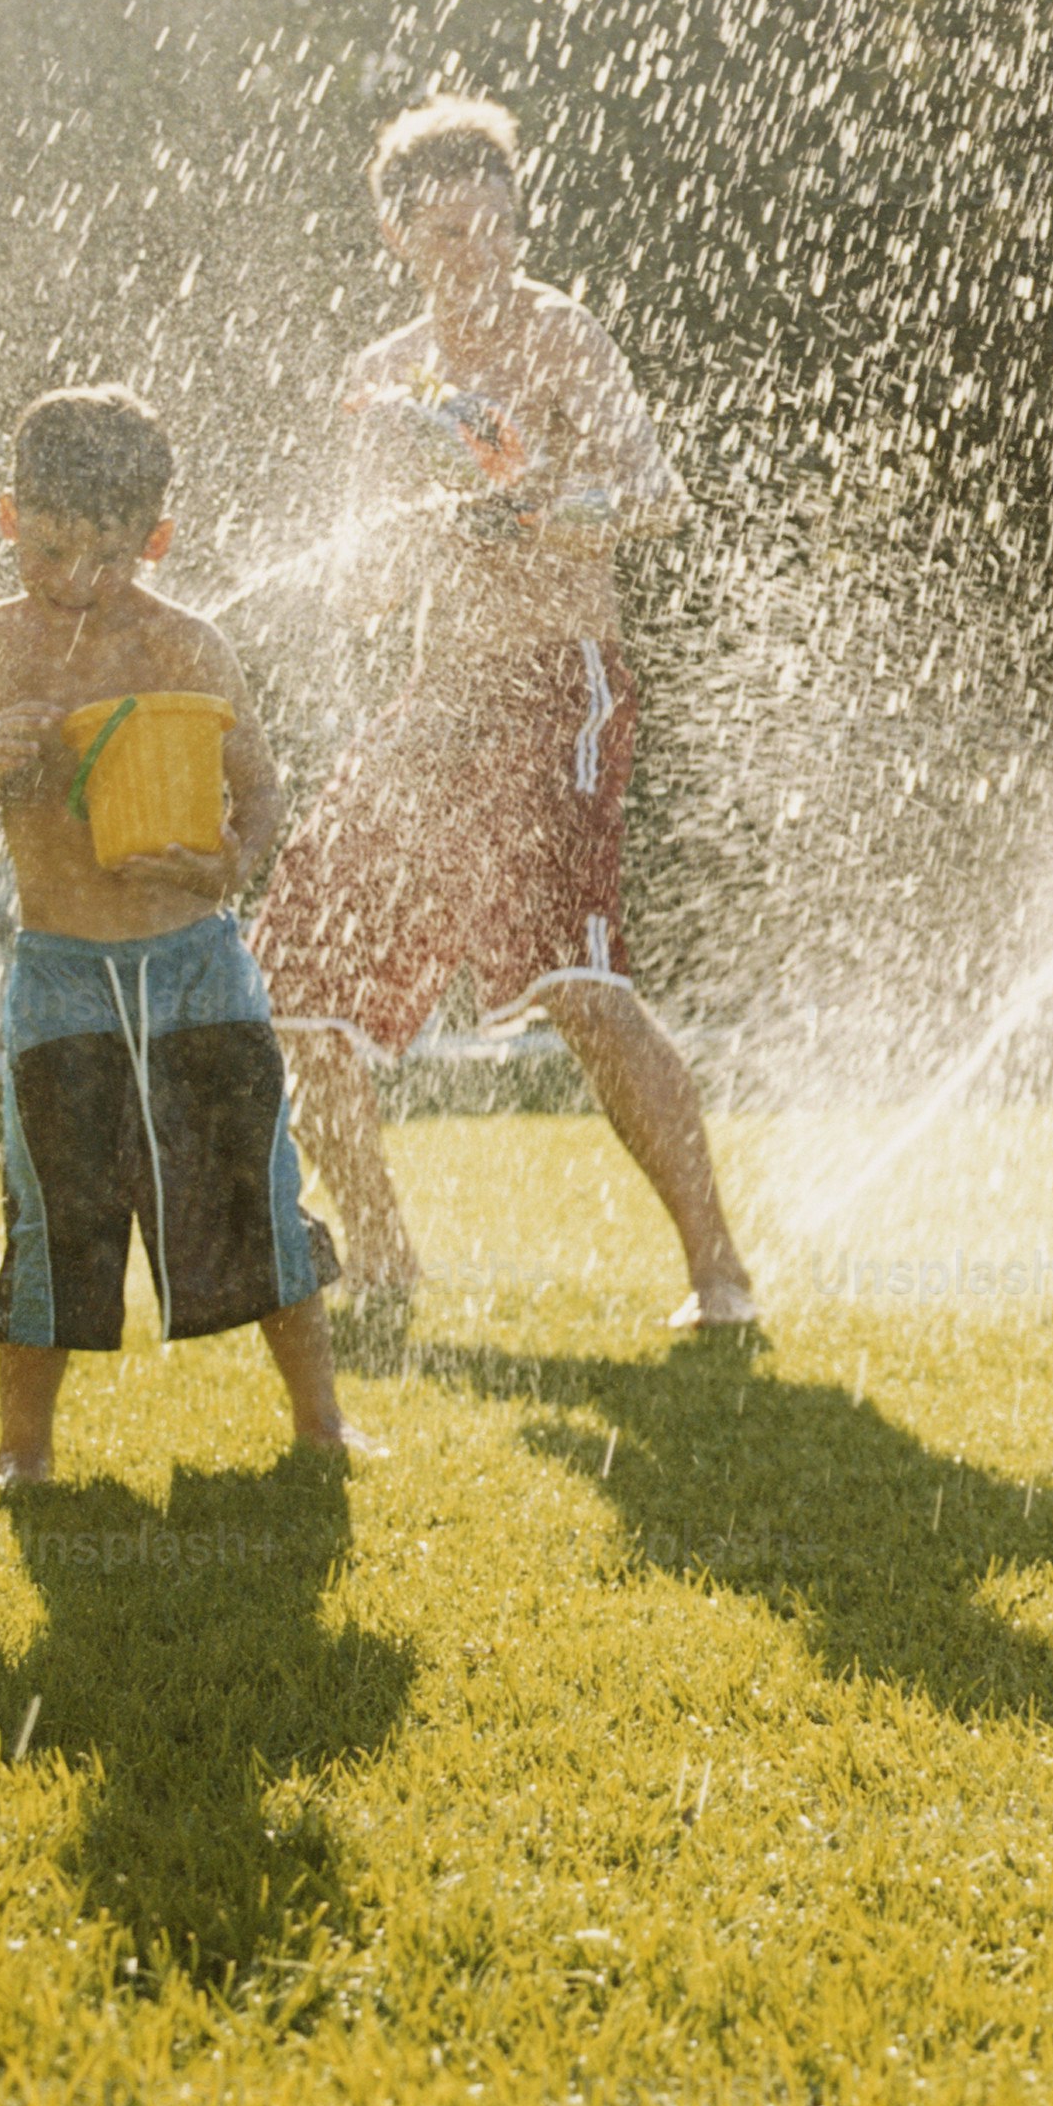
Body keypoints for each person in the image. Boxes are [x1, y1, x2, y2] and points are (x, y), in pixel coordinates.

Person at [246, 96, 757, 1331]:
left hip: (559, 679)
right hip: (440, 693)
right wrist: (395, 533)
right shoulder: (377, 379)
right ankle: (380, 1263)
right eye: (452, 234)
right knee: (292, 978)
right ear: (397, 235)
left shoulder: (559, 332)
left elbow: (651, 495)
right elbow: (368, 593)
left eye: (499, 227)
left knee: (575, 982)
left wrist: (530, 510)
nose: (483, 256)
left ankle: (718, 1275)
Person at [0, 384, 367, 1489]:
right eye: (50, 549)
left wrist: (227, 861)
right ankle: (21, 1455)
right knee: (53, 1212)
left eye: (110, 557)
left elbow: (261, 790)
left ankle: (323, 1425)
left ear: (158, 540)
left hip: (195, 967)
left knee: (253, 1190)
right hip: (61, 974)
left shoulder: (189, 647)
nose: (78, 579)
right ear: (7, 517)